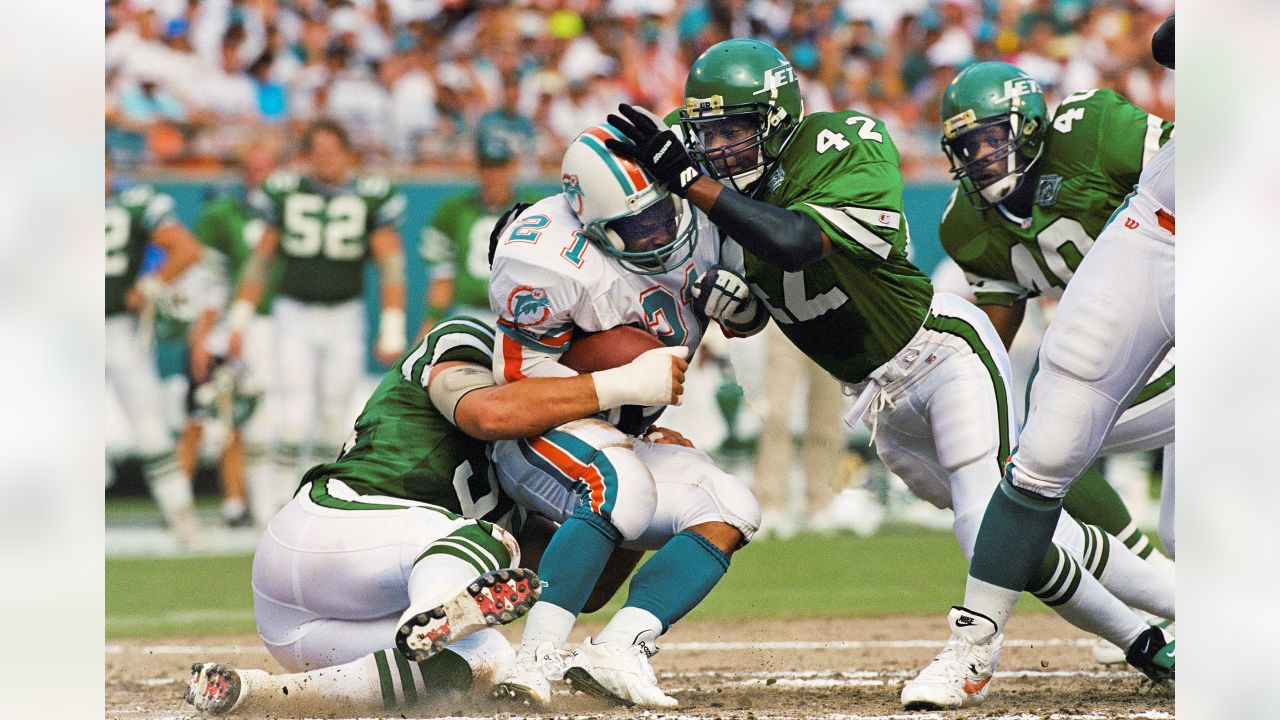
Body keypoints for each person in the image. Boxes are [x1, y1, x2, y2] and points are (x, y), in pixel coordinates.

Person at [604, 37, 1174, 708]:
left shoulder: (842, 140)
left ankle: (971, 653)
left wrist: (693, 185)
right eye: (709, 133)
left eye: (735, 128)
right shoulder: (724, 208)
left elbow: (795, 241)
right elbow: (771, 299)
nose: (721, 147)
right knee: (1028, 534)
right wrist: (741, 306)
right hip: (878, 401)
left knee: (983, 520)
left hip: (940, 357)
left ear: (778, 118)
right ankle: (1156, 641)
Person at [185, 316, 690, 715]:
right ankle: (431, 612)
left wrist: (633, 496)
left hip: (305, 626)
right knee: (490, 544)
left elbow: (571, 584)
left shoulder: (539, 465)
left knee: (487, 657)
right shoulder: (470, 342)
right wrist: (613, 384)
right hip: (332, 526)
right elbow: (487, 415)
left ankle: (258, 695)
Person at [911, 15, 1178, 709]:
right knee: (1041, 442)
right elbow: (996, 332)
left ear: (1031, 127)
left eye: (992, 139)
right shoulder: (967, 225)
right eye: (966, 146)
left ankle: (1164, 592)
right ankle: (974, 646)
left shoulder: (1090, 127)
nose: (982, 158)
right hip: (1136, 307)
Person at [488, 124, 761, 709]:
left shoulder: (702, 208)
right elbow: (515, 390)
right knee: (623, 486)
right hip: (545, 432)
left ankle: (619, 647)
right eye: (637, 226)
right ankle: (534, 662)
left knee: (731, 506)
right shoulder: (546, 257)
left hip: (626, 431)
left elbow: (748, 319)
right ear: (590, 224)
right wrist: (618, 387)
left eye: (664, 211)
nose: (660, 231)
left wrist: (744, 310)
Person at [226, 118, 408, 521]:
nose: (325, 159)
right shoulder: (285, 191)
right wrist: (238, 318)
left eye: (332, 150)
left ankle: (318, 504)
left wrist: (392, 324)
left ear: (347, 154)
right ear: (306, 156)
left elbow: (390, 262)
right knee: (292, 413)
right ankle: (274, 505)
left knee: (334, 415)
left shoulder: (370, 195)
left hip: (346, 313)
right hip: (294, 312)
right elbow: (260, 260)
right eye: (318, 151)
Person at [177, 138, 283, 528]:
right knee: (212, 414)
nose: (258, 173)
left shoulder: (294, 207)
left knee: (263, 416)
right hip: (231, 326)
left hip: (279, 322)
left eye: (264, 165)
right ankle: (185, 503)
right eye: (251, 166)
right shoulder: (224, 215)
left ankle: (259, 502)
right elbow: (210, 281)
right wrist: (203, 333)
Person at [105, 160, 205, 549]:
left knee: (150, 428)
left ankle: (182, 517)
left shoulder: (132, 203)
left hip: (117, 328)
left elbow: (186, 248)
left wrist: (150, 284)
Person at [418, 115, 539, 336]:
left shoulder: (537, 210)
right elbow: (442, 276)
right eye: (487, 167)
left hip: (522, 317)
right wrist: (429, 325)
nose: (492, 176)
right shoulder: (453, 210)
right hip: (468, 314)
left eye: (499, 168)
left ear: (513, 167)